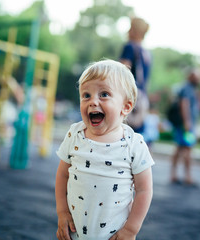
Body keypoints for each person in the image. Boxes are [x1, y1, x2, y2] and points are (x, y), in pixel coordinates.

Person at [55, 59, 154, 240]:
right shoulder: (75, 135)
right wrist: (62, 212)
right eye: (86, 95)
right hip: (75, 232)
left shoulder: (134, 144)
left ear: (126, 107)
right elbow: (62, 175)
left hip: (114, 235)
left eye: (104, 94)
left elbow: (144, 190)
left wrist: (130, 230)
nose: (93, 101)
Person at [169, 68, 200, 186]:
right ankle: (187, 176)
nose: (199, 79)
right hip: (185, 125)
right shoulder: (188, 88)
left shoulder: (190, 88)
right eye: (198, 76)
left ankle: (174, 175)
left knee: (179, 148)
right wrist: (187, 123)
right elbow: (185, 104)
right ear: (191, 76)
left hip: (185, 124)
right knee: (187, 149)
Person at [120, 17, 151, 134]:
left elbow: (122, 72)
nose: (128, 31)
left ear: (135, 30)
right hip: (142, 98)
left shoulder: (129, 47)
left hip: (129, 96)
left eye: (130, 28)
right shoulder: (146, 53)